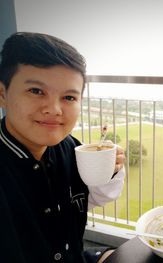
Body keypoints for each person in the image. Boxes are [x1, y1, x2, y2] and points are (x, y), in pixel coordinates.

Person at [0, 32, 126, 263]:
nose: (55, 109)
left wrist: (110, 170)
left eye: (69, 97)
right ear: (2, 94)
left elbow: (88, 198)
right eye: (36, 91)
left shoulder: (69, 147)